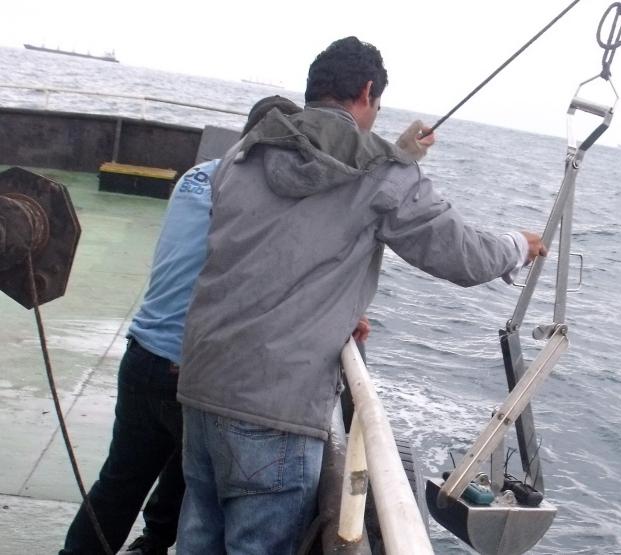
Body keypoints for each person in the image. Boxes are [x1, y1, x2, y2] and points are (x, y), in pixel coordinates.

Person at [175, 36, 547, 554]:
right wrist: (518, 246)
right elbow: (462, 255)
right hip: (277, 408)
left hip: (201, 386)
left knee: (197, 542)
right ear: (368, 92)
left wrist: (395, 155)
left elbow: (281, 239)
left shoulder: (243, 154)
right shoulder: (385, 173)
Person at [59, 96, 305, 555]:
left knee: (121, 478)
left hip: (142, 352)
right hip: (188, 367)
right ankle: (153, 542)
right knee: (196, 472)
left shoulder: (197, 176)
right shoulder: (259, 197)